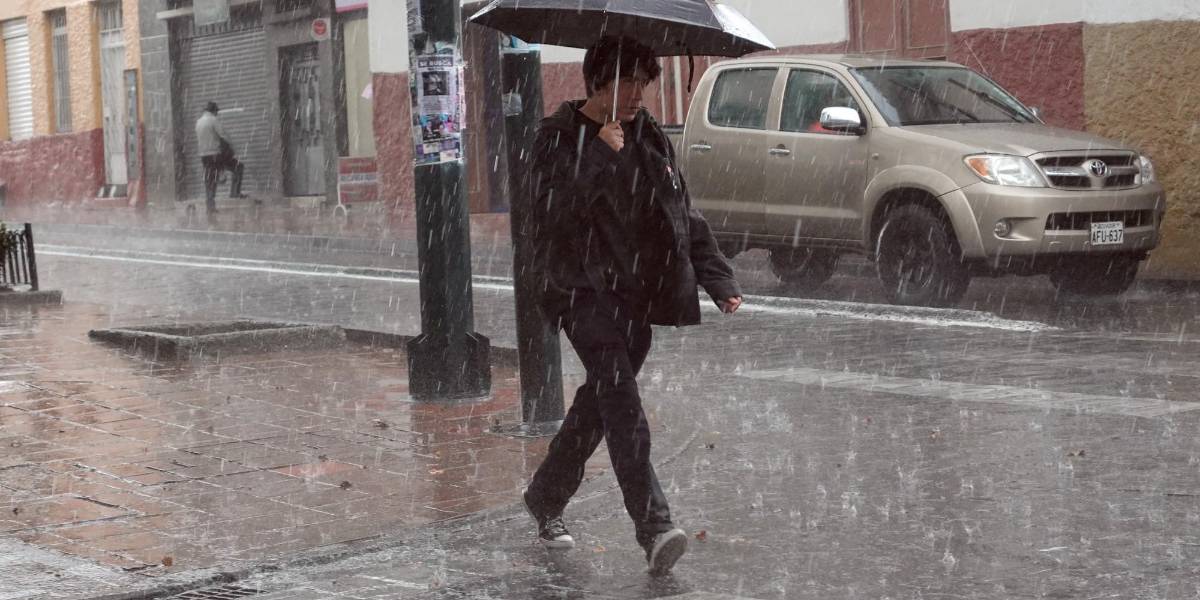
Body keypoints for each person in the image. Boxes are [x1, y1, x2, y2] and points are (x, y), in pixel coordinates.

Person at [522, 35, 743, 576]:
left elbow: (679, 209)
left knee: (599, 405)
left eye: (644, 83)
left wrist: (716, 276)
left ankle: (546, 495)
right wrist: (599, 153)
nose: (639, 94)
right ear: (598, 83)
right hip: (581, 292)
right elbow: (549, 215)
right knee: (622, 405)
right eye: (629, 83)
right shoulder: (556, 137)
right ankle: (655, 528)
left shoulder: (647, 134)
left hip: (636, 295)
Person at [195, 101, 247, 214]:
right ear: (214, 111)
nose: (217, 113)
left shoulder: (198, 122)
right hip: (216, 154)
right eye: (216, 111)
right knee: (238, 167)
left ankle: (210, 206)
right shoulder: (213, 120)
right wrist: (232, 147)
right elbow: (223, 135)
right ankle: (235, 192)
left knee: (210, 179)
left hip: (204, 156)